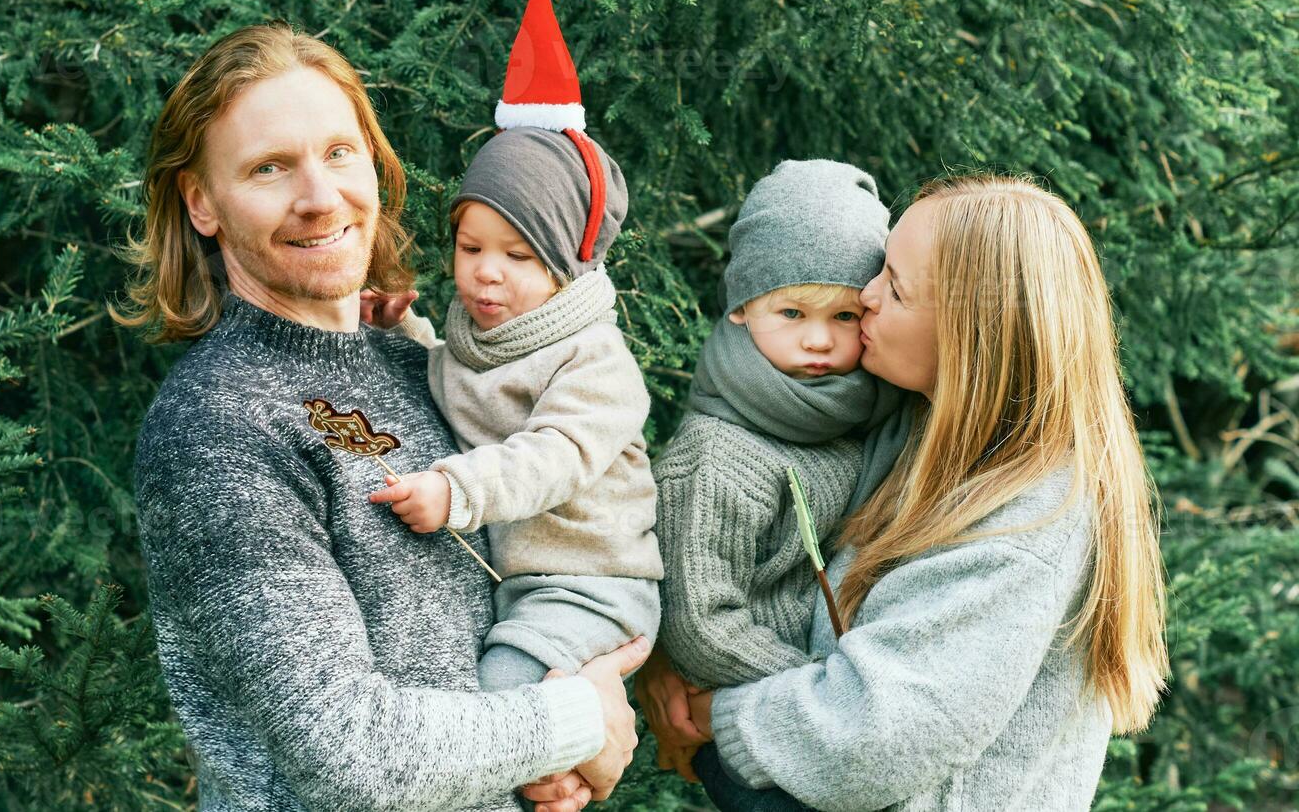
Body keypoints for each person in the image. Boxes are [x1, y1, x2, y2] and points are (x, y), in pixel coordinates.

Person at [117, 21, 643, 812]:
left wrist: (565, 747)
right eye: (269, 168)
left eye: (338, 153)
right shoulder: (217, 427)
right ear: (202, 202)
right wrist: (578, 720)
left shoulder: (419, 365)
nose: (320, 198)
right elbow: (350, 755)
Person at [630, 175, 1169, 812]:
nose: (866, 295)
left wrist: (712, 713)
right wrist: (676, 654)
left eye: (896, 286)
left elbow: (873, 736)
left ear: (974, 331)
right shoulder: (915, 433)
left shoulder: (1032, 516)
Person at [366, 122, 664, 691]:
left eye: (519, 255)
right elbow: (453, 383)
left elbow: (555, 455)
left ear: (563, 267)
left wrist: (458, 491)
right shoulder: (480, 340)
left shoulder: (595, 358)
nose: (486, 270)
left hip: (591, 584)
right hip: (519, 583)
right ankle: (556, 783)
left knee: (505, 694)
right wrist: (401, 331)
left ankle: (546, 779)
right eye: (470, 247)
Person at [650, 159, 906, 810]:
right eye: (791, 311)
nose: (818, 340)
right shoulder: (718, 455)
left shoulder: (866, 407)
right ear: (741, 308)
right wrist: (819, 691)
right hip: (754, 716)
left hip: (831, 713)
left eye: (844, 316)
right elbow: (699, 623)